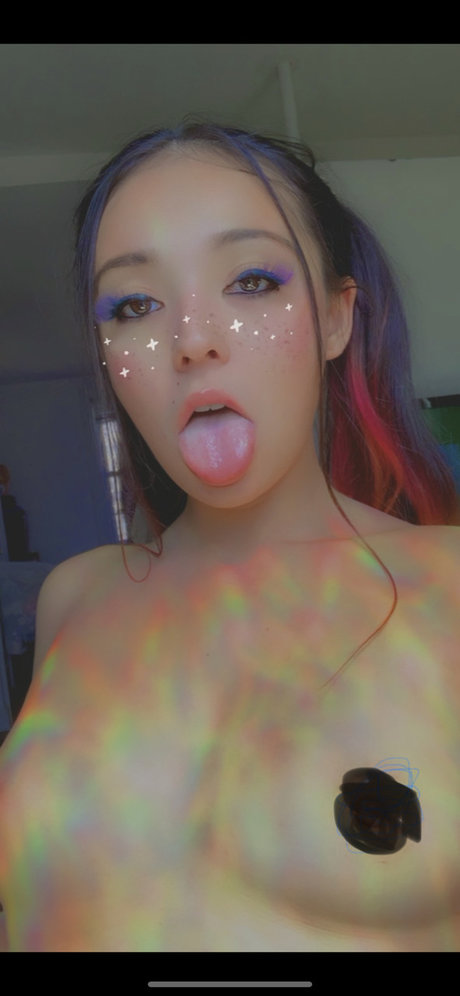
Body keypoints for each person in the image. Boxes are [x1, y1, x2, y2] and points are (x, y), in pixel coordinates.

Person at [0, 121, 459, 953]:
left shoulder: (450, 589)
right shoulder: (74, 597)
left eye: (251, 281)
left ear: (335, 318)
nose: (192, 341)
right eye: (135, 305)